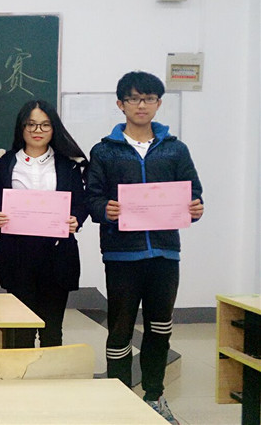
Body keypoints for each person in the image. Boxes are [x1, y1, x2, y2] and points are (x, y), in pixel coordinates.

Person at [87, 71, 204, 425]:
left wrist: (195, 208)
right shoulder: (104, 151)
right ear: (120, 104)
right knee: (120, 328)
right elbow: (92, 198)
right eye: (134, 99)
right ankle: (118, 400)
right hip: (122, 255)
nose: (142, 105)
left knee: (160, 327)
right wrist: (104, 210)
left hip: (165, 254)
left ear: (158, 103)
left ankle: (154, 395)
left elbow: (193, 193)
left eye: (149, 98)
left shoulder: (175, 149)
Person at [0, 100, 88, 348]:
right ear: (21, 128)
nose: (37, 130)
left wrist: (76, 219)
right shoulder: (4, 163)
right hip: (17, 256)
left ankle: (50, 372)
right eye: (30, 124)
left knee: (52, 329)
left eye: (44, 125)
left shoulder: (68, 164)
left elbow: (81, 203)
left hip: (57, 257)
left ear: (54, 128)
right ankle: (21, 373)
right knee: (20, 330)